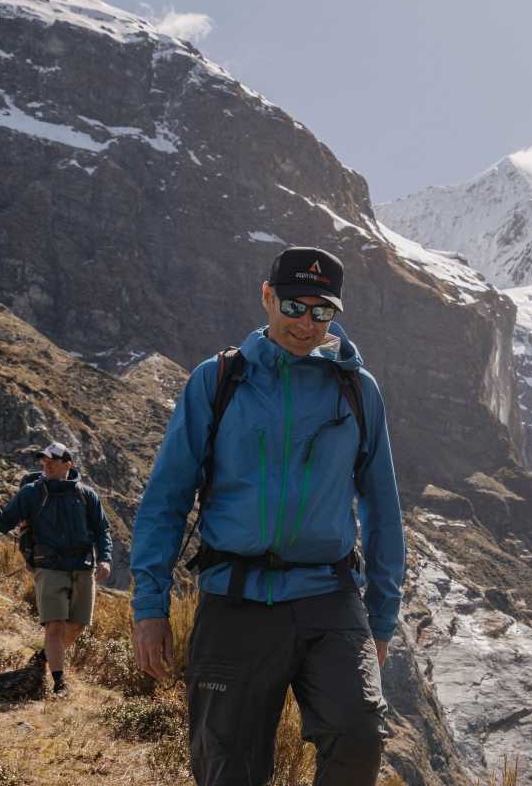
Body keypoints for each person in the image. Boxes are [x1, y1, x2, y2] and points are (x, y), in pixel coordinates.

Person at [129, 246, 405, 786]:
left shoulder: (356, 389)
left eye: (322, 312)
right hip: (235, 599)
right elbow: (166, 499)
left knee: (359, 736)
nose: (307, 324)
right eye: (294, 307)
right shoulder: (217, 382)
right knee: (226, 767)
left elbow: (382, 508)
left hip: (329, 596)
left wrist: (380, 619)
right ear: (266, 296)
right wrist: (149, 606)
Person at [0, 441, 112, 698]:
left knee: (77, 625)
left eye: (52, 460)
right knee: (54, 625)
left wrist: (106, 559)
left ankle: (43, 656)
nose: (47, 464)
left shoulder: (87, 495)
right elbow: (3, 523)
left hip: (83, 567)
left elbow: (102, 530)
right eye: (44, 460)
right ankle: (59, 682)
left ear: (68, 464)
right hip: (49, 566)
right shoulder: (31, 493)